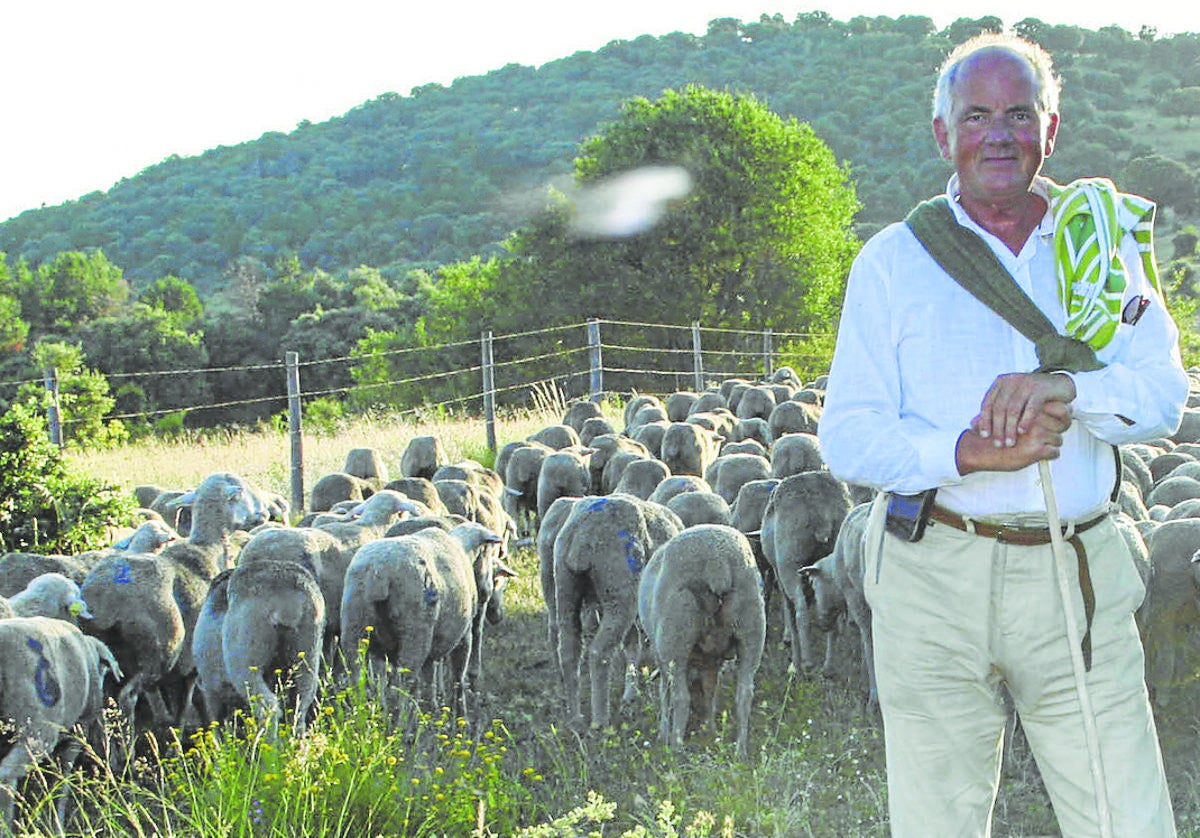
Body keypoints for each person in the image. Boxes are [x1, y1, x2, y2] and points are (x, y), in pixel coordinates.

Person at [817, 32, 1185, 837]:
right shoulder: (891, 262)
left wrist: (1068, 388)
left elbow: (1164, 396)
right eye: (976, 115)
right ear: (944, 134)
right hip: (932, 570)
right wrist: (964, 452)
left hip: (1075, 569)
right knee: (937, 819)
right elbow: (848, 433)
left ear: (1050, 130)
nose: (999, 134)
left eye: (1020, 114)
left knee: (1126, 815)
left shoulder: (1108, 244)